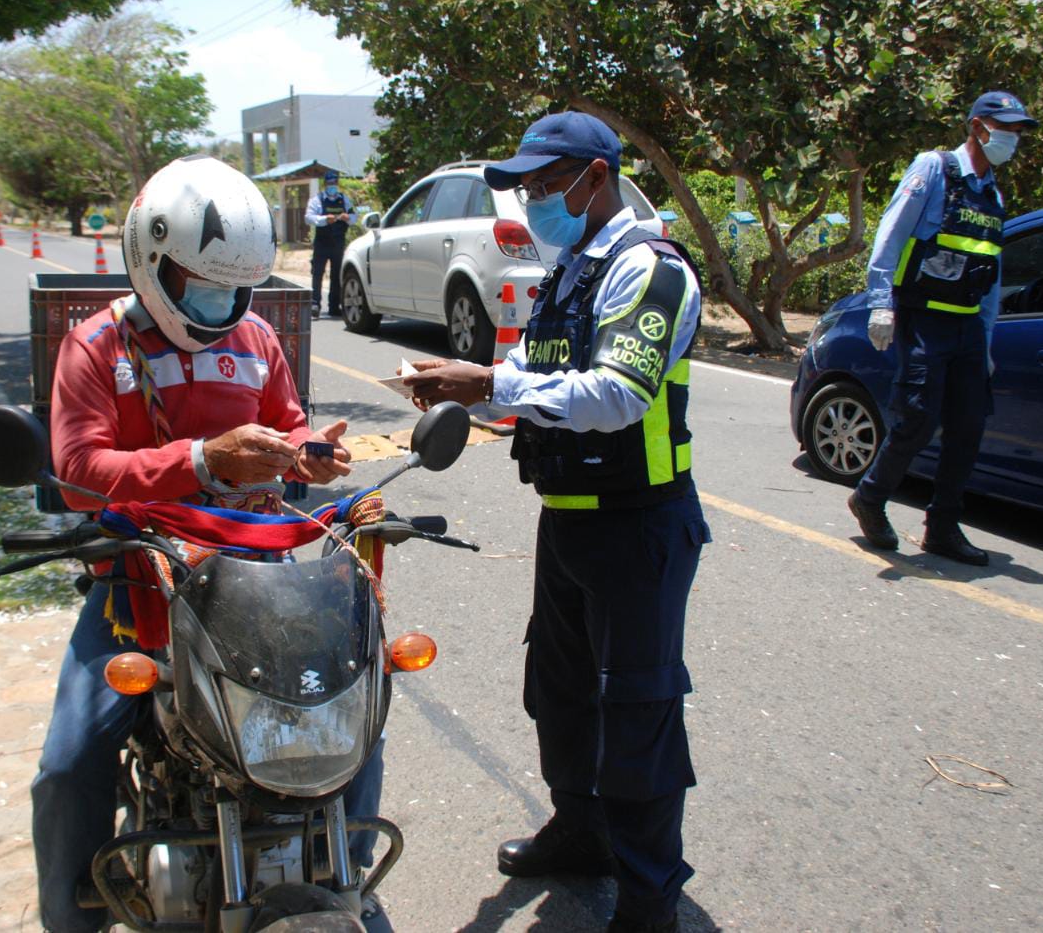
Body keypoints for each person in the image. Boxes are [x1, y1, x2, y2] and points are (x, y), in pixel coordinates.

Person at [37, 155, 386, 931]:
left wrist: (306, 452)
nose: (222, 302)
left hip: (257, 579)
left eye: (235, 286)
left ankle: (349, 874)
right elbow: (77, 472)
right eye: (205, 284)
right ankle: (73, 915)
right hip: (143, 588)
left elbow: (286, 428)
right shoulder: (94, 349)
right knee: (68, 765)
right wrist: (200, 459)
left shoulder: (258, 336)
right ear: (152, 259)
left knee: (356, 716)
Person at [404, 111, 710, 933]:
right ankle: (583, 833)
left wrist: (488, 388)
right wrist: (471, 379)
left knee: (638, 711)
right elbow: (541, 371)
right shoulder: (574, 266)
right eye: (529, 187)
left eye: (545, 185)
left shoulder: (649, 270)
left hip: (638, 525)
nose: (534, 201)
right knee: (561, 691)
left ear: (595, 178)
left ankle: (649, 902)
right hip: (569, 520)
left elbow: (616, 394)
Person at [848, 91, 1038, 566]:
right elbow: (890, 234)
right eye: (1006, 129)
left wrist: (987, 342)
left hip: (968, 327)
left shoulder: (991, 192)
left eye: (1017, 132)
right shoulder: (934, 170)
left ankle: (943, 527)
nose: (1012, 139)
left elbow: (990, 276)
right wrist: (880, 305)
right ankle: (870, 497)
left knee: (968, 427)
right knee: (917, 418)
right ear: (977, 126)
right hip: (924, 317)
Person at [305, 168, 354, 318]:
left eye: (334, 182)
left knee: (336, 275)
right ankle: (315, 304)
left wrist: (347, 217)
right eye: (329, 183)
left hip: (338, 243)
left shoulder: (344, 199)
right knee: (317, 273)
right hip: (322, 243)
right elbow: (309, 217)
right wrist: (324, 219)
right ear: (325, 184)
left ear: (337, 183)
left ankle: (334, 306)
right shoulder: (317, 200)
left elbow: (354, 217)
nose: (332, 185)